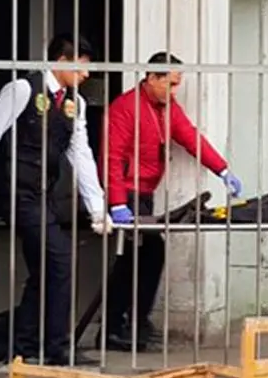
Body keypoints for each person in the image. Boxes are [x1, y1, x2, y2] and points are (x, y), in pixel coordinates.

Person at [102, 51, 243, 352]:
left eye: (177, 84)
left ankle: (133, 321)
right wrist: (116, 202)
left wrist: (223, 169)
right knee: (136, 258)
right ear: (152, 78)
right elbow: (112, 157)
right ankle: (116, 326)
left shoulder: (165, 108)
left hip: (144, 194)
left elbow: (191, 138)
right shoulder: (125, 108)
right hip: (127, 194)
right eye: (171, 83)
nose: (174, 90)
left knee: (142, 258)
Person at [0, 33, 111, 366]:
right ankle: (57, 347)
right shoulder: (23, 90)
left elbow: (81, 155)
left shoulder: (75, 104)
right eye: (83, 68)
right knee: (60, 258)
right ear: (62, 61)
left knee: (45, 269)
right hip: (15, 191)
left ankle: (25, 344)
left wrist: (98, 208)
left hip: (43, 195)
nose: (86, 76)